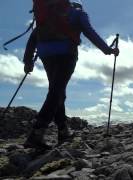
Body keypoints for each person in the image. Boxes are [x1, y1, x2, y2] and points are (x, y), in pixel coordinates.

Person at [23, 0, 119, 149]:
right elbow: (89, 32)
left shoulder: (46, 13)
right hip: (66, 53)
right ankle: (37, 133)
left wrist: (28, 61)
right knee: (56, 91)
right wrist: (108, 50)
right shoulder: (78, 14)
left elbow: (34, 36)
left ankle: (63, 130)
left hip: (45, 54)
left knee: (57, 90)